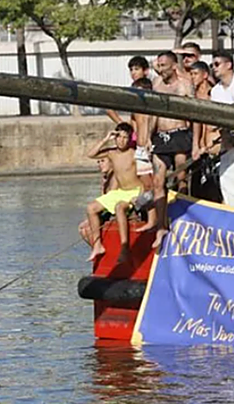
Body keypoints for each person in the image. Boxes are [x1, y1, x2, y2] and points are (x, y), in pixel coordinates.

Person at [147, 51, 194, 247]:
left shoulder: (184, 84)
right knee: (158, 182)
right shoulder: (156, 83)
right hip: (161, 136)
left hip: (180, 134)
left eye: (164, 66)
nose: (161, 69)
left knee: (181, 179)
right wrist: (148, 136)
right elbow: (153, 113)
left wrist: (196, 143)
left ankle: (184, 222)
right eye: (158, 65)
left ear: (174, 66)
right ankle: (161, 226)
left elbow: (195, 115)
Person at [83, 123, 146, 265]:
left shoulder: (134, 153)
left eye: (125, 137)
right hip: (120, 192)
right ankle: (97, 245)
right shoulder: (111, 153)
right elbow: (91, 154)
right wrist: (106, 139)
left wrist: (140, 195)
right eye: (119, 137)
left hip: (134, 191)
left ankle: (125, 248)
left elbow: (145, 176)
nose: (121, 141)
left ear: (129, 139)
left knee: (119, 207)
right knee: (91, 208)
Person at [107, 56, 154, 126]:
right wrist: (121, 123)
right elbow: (109, 108)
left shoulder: (154, 86)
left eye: (136, 69)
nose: (133, 72)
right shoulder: (131, 90)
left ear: (145, 71)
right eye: (131, 70)